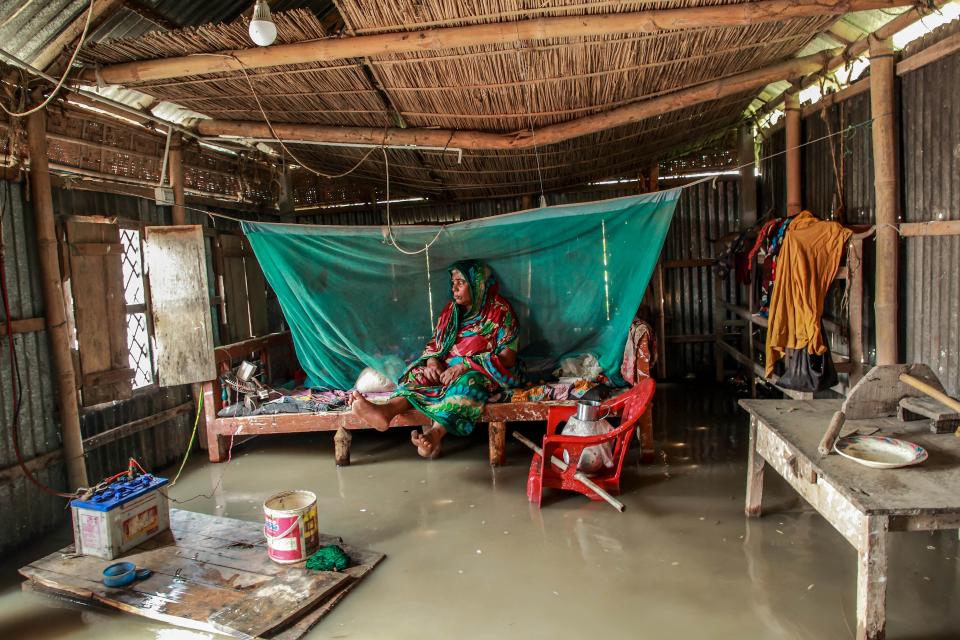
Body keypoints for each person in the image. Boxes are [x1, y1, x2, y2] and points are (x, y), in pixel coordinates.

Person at [351, 260, 522, 458]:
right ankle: (386, 412)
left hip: (481, 371)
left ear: (478, 284)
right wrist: (432, 363)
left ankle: (434, 435)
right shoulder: (451, 311)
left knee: (469, 383)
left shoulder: (501, 311)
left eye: (461, 282)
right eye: (453, 282)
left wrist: (464, 366)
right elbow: (435, 344)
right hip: (446, 370)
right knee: (418, 374)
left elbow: (507, 359)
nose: (454, 287)